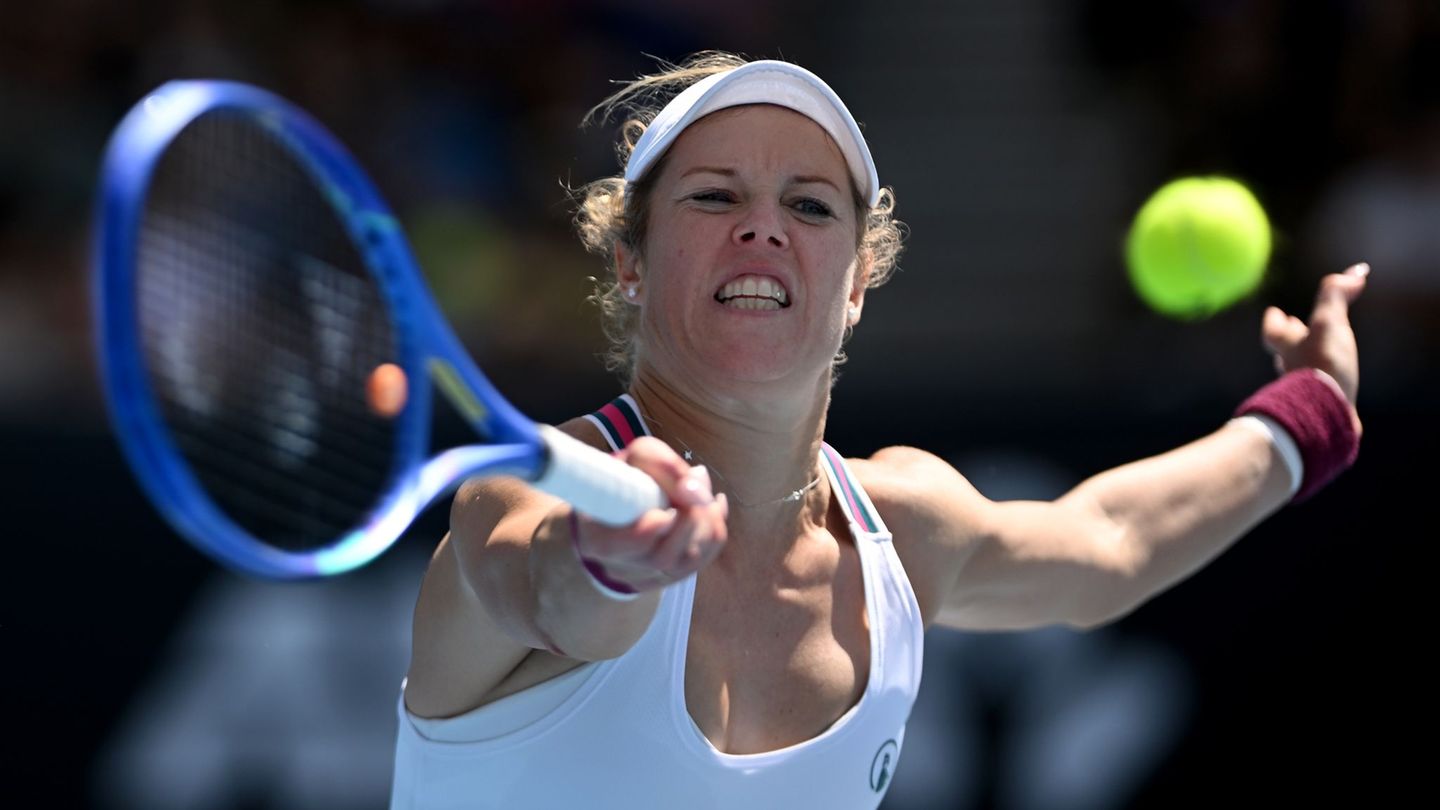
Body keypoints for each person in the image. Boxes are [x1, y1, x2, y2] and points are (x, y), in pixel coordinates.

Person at [389, 52, 1366, 809]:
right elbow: (545, 586)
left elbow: (1109, 544)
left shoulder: (902, 526)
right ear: (631, 263)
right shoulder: (524, 497)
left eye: (809, 206)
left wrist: (1310, 412)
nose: (763, 228)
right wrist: (611, 560)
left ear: (856, 285)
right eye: (715, 196)